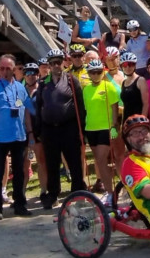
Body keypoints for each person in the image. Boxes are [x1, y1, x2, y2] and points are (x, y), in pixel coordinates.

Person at [0, 54, 36, 219]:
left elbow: (27, 110)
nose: (4, 71)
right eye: (1, 68)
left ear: (13, 69)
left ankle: (19, 204)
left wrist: (30, 132)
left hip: (18, 135)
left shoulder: (20, 87)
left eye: (8, 68)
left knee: (19, 172)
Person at [34, 48, 87, 209]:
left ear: (63, 62)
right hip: (49, 129)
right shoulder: (43, 84)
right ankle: (53, 194)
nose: (56, 65)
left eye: (58, 62)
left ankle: (78, 192)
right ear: (49, 66)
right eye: (52, 63)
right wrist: (38, 131)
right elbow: (38, 107)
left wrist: (81, 130)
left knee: (74, 161)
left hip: (69, 127)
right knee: (52, 163)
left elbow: (80, 105)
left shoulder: (71, 80)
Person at [81, 60, 120, 203]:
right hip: (91, 129)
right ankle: (109, 191)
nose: (96, 75)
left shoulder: (109, 86)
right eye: (93, 72)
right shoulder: (86, 89)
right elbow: (85, 110)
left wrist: (114, 126)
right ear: (89, 74)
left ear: (102, 72)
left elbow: (115, 108)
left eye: (98, 72)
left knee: (102, 160)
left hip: (106, 128)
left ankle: (110, 192)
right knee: (99, 161)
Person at [22, 63, 44, 203]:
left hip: (38, 130)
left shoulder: (42, 90)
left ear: (38, 74)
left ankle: (43, 191)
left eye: (33, 72)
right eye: (27, 73)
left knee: (41, 161)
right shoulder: (20, 90)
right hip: (22, 132)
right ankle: (21, 192)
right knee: (24, 163)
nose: (30, 75)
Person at [119, 52, 149, 122]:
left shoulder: (141, 80)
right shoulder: (124, 82)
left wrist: (143, 122)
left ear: (135, 65)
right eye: (125, 65)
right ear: (121, 67)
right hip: (127, 121)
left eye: (131, 64)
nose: (128, 67)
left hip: (138, 121)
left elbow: (146, 104)